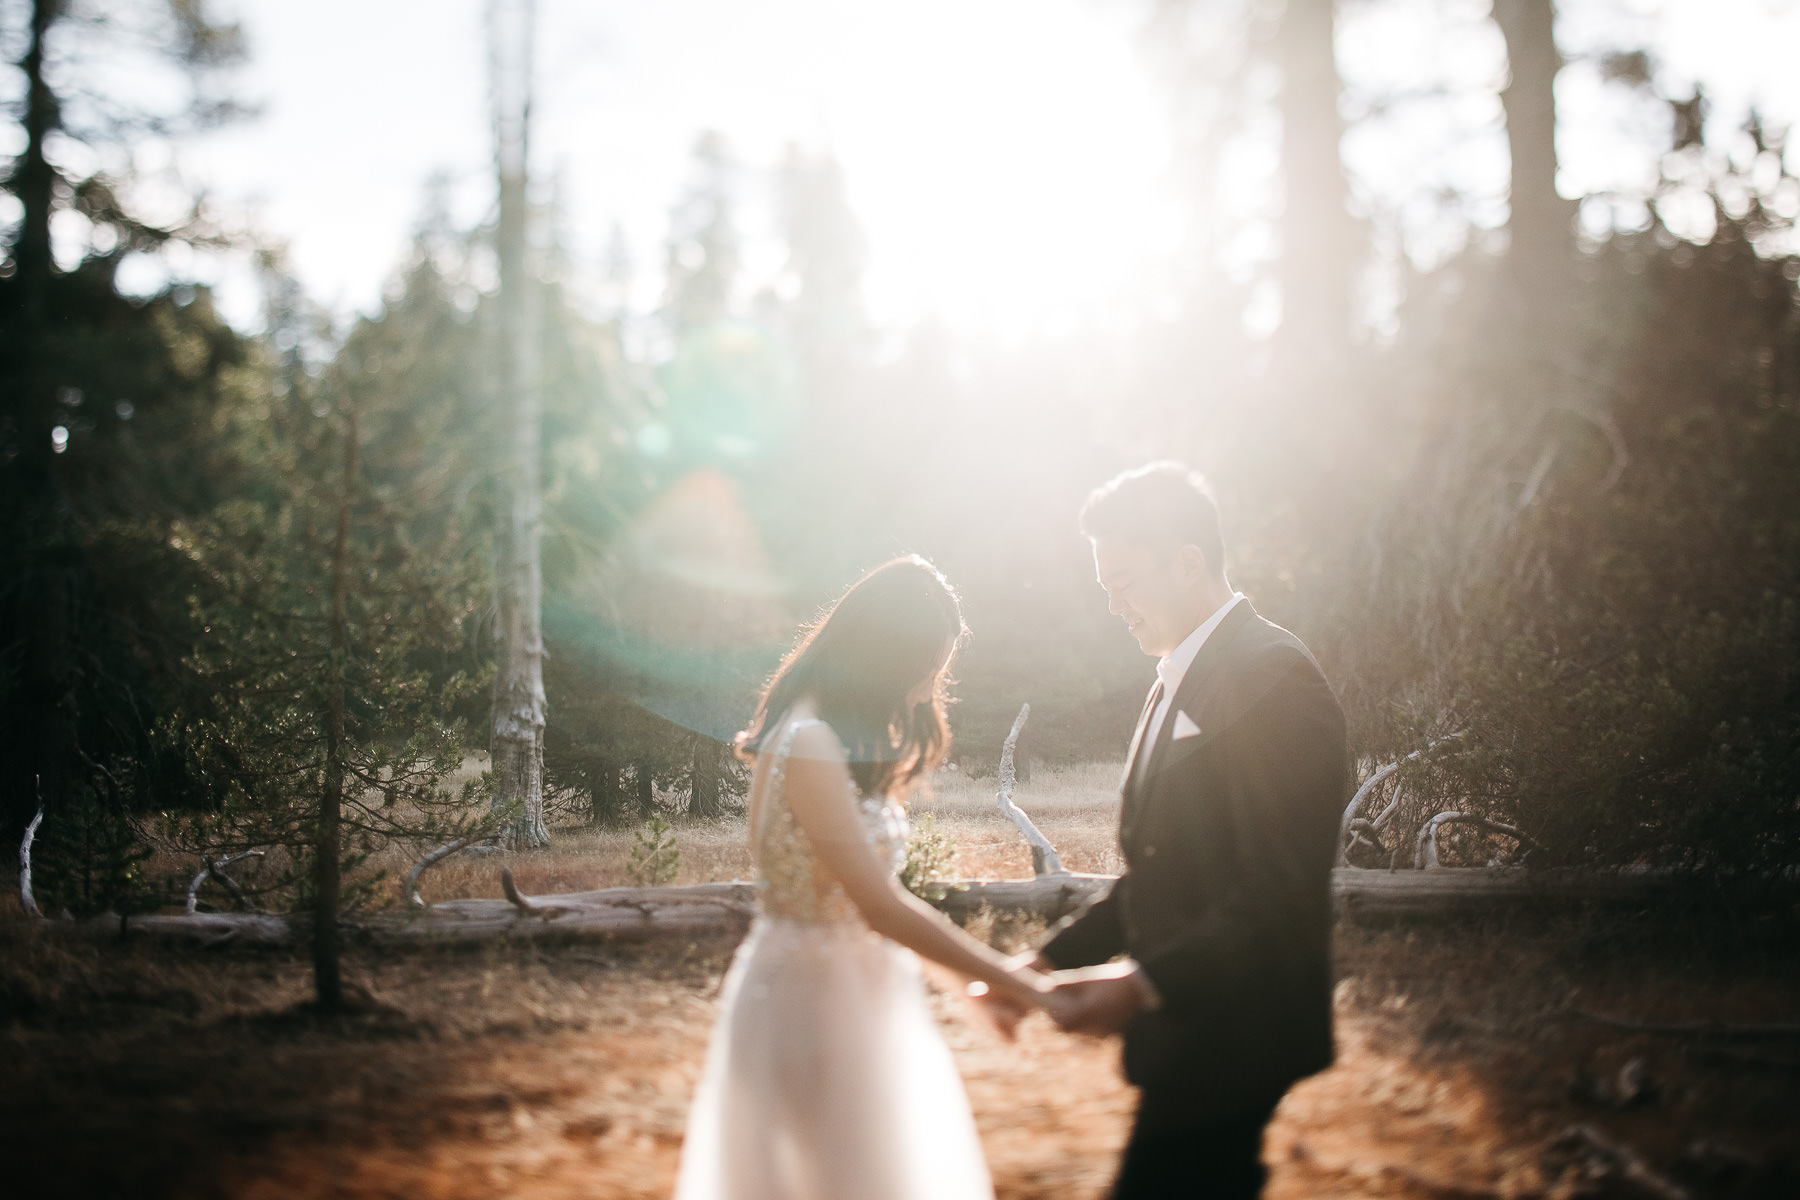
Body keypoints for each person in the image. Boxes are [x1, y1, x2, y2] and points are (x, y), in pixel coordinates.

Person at [981, 462, 1349, 1199]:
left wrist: (1140, 984)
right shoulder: (1171, 678)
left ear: (1187, 564)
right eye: (1104, 589)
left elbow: (1281, 892)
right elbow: (1164, 871)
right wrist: (1044, 964)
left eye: (1125, 583)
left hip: (1241, 1031)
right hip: (1194, 1030)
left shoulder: (1272, 674)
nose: (1114, 607)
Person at [674, 555, 1075, 1200]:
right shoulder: (808, 743)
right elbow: (881, 907)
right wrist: (1020, 985)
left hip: (864, 993)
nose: (925, 691)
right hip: (807, 1004)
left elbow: (879, 911)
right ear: (880, 659)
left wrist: (966, 991)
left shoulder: (828, 735)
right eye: (923, 671)